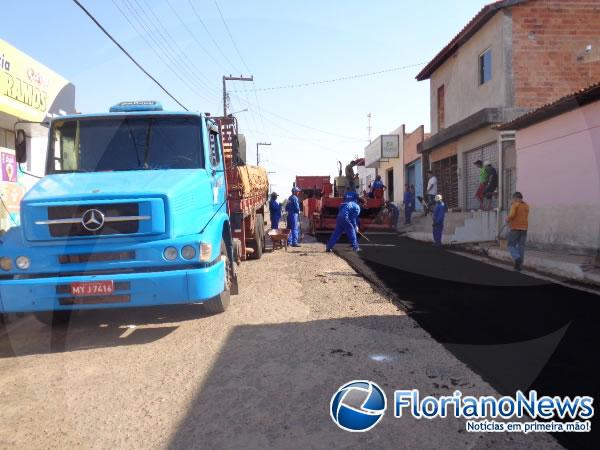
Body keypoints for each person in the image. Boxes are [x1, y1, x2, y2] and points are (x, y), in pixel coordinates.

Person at [506, 191, 529, 271]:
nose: (513, 200)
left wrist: (507, 219)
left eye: (513, 198)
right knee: (521, 246)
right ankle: (519, 266)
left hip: (515, 228)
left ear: (515, 198)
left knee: (510, 245)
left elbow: (512, 215)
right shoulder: (526, 206)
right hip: (524, 228)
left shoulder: (515, 204)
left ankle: (517, 258)